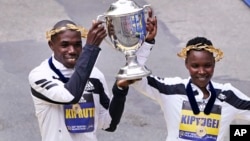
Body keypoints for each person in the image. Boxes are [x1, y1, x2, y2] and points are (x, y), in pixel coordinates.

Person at [28, 8, 157, 141]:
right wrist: (91, 47)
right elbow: (69, 96)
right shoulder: (40, 76)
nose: (72, 51)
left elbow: (108, 124)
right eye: (64, 45)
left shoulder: (95, 75)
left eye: (78, 45)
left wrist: (120, 89)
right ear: (51, 45)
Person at [117, 36, 250, 141]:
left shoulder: (227, 95)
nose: (202, 71)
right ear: (186, 64)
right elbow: (134, 74)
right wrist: (148, 43)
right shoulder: (170, 89)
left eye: (207, 65)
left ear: (214, 64)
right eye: (195, 65)